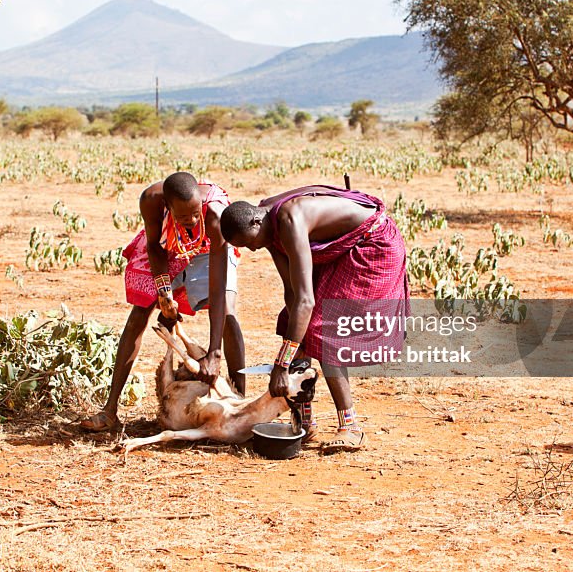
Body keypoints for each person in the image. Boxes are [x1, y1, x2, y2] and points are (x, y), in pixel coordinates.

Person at [219, 185, 409, 453]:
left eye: (249, 242)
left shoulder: (288, 219)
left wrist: (282, 364)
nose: (251, 249)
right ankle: (303, 422)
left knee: (324, 329)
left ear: (255, 220)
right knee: (293, 322)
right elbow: (293, 293)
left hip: (373, 245)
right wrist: (296, 341)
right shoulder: (267, 227)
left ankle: (350, 427)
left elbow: (306, 301)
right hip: (346, 250)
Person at [79, 172, 245, 432]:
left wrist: (214, 353)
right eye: (183, 216)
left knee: (228, 315)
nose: (190, 220)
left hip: (209, 249)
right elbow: (155, 246)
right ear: (168, 206)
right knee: (139, 314)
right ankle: (110, 410)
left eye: (194, 213)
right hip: (170, 243)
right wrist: (164, 290)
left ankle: (239, 409)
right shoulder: (151, 200)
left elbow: (217, 287)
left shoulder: (214, 215)